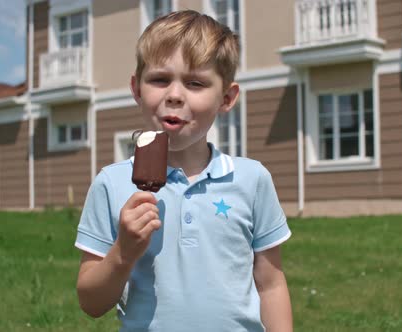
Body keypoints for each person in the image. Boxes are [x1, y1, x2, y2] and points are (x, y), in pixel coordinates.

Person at [75, 10, 292, 331]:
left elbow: (271, 284)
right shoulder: (112, 183)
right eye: (160, 79)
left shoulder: (251, 179)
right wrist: (123, 253)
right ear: (136, 89)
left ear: (227, 98)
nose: (174, 95)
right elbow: (91, 304)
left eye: (195, 83)